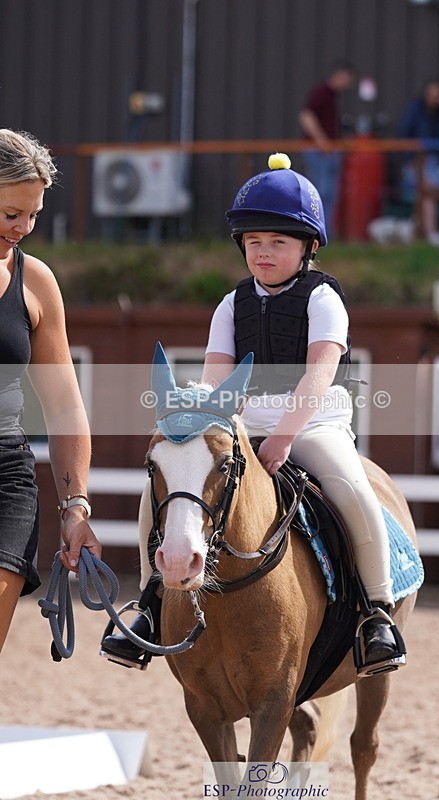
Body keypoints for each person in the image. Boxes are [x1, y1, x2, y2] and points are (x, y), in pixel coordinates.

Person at [102, 153, 404, 675]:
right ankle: (151, 603)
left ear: (308, 246)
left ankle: (376, 614)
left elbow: (318, 375)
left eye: (278, 243)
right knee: (165, 489)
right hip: (241, 423)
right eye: (254, 243)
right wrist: (207, 426)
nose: (263, 254)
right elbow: (217, 380)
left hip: (313, 423)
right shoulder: (230, 304)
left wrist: (284, 439)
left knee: (355, 493)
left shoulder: (324, 298)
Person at [0, 128, 102, 654]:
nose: (22, 228)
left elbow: (64, 406)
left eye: (32, 215)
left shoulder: (35, 282)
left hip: (5, 476)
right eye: (10, 213)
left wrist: (75, 507)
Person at [299, 61, 356, 237]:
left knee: (330, 193)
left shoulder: (333, 97)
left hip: (331, 151)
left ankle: (325, 233)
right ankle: (315, 232)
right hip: (320, 152)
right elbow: (306, 115)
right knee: (320, 192)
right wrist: (322, 141)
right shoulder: (322, 92)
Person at [399, 78, 439, 245]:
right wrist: (409, 159)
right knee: (427, 191)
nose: (434, 98)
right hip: (415, 160)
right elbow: (405, 133)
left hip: (433, 160)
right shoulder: (415, 109)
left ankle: (421, 230)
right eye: (431, 94)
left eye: (437, 94)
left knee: (427, 193)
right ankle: (430, 232)